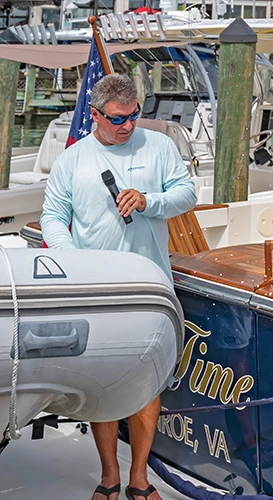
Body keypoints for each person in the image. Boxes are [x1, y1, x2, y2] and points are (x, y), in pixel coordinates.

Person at [41, 74, 197, 500]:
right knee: (103, 385)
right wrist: (71, 259)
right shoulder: (73, 159)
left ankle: (139, 479)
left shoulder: (159, 146)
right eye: (117, 119)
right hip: (98, 289)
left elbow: (187, 194)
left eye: (134, 116)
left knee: (146, 385)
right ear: (94, 115)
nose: (128, 126)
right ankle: (110, 476)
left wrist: (150, 201)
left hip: (149, 286)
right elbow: (52, 216)